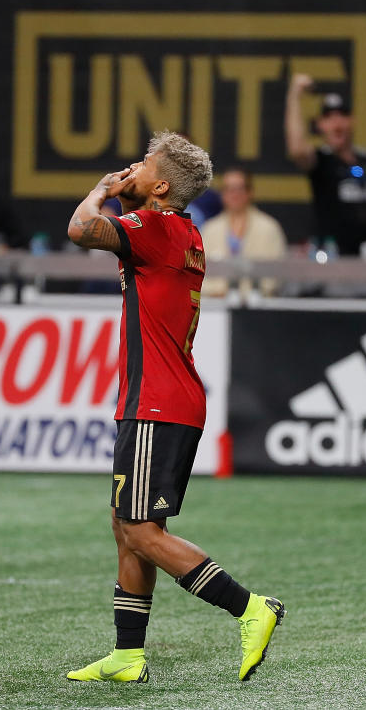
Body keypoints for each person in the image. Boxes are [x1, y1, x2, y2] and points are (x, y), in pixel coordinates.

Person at [64, 131, 285, 684]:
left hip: (156, 402)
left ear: (161, 185)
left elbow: (79, 230)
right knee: (128, 524)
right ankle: (128, 655)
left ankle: (251, 607)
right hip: (170, 397)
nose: (130, 166)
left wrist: (100, 190)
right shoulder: (181, 231)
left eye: (143, 164)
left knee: (139, 530)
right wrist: (127, 195)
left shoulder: (154, 227)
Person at [285, 74, 366, 254]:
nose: (337, 123)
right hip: (331, 260)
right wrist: (294, 95)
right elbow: (297, 149)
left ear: (352, 121)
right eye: (329, 117)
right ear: (320, 125)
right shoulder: (321, 160)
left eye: (342, 116)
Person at [200, 166, 287, 297]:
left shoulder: (269, 228)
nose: (234, 194)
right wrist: (220, 292)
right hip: (216, 307)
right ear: (222, 194)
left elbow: (277, 275)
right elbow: (197, 274)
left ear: (250, 192)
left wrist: (245, 294)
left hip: (258, 306)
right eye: (228, 189)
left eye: (239, 188)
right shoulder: (209, 229)